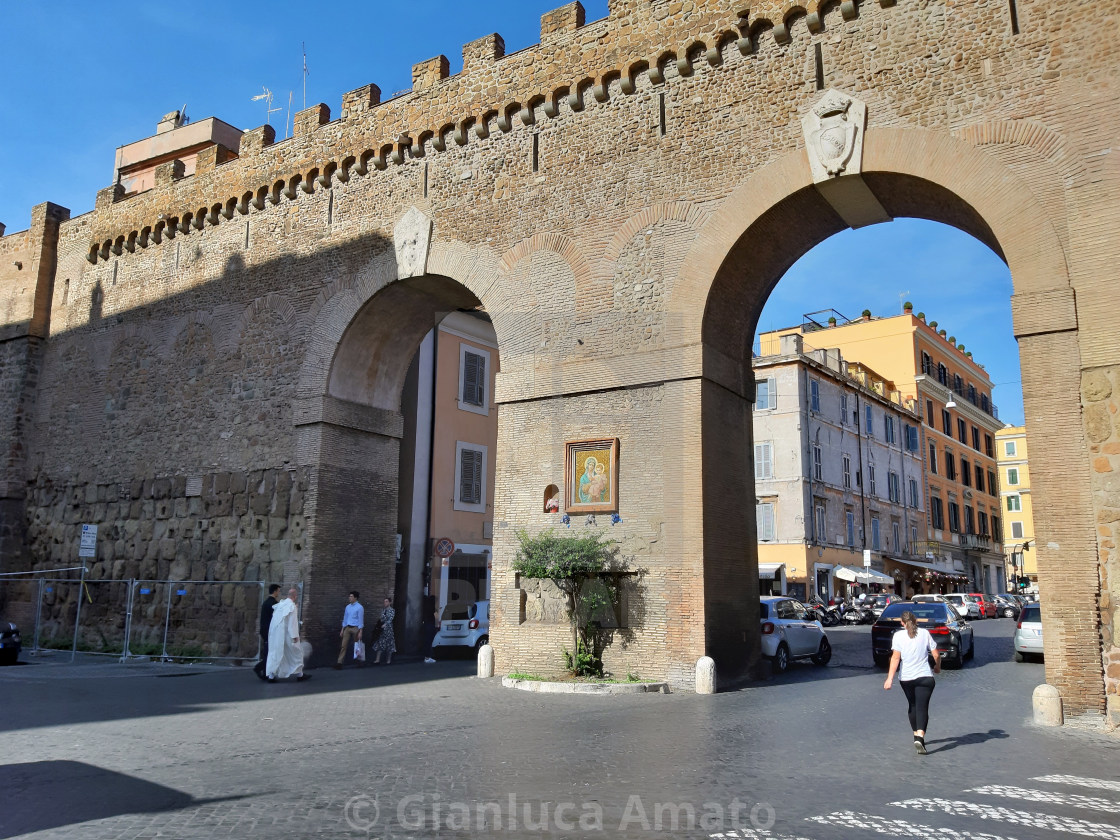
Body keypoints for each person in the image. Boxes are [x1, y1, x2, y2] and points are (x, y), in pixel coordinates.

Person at [883, 610, 940, 754]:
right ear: (915, 620)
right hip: (925, 677)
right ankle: (920, 736)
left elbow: (895, 658)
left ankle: (916, 734)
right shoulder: (925, 634)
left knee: (913, 705)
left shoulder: (898, 636)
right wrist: (937, 666)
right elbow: (936, 654)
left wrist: (889, 679)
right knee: (922, 706)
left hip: (906, 678)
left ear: (902, 623)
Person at [266, 587, 311, 682]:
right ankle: (300, 675)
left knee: (276, 654)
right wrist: (294, 636)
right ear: (295, 596)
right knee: (296, 653)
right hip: (286, 634)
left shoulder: (280, 605)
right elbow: (292, 623)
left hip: (275, 634)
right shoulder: (292, 606)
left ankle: (271, 676)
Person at [254, 584, 280, 680]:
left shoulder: (266, 602)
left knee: (268, 652)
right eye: (278, 591)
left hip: (264, 630)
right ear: (275, 591)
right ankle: (259, 668)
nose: (279, 593)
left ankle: (266, 672)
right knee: (270, 653)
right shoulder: (273, 604)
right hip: (269, 632)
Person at [336, 590, 364, 669]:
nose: (349, 598)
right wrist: (342, 629)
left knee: (357, 645)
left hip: (356, 628)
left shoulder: (360, 607)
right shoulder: (347, 607)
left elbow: (360, 620)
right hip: (347, 628)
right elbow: (345, 618)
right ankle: (339, 663)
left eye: (351, 596)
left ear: (355, 598)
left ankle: (359, 661)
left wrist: (360, 631)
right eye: (349, 596)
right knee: (343, 646)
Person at [372, 597, 396, 664]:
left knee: (389, 644)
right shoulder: (383, 610)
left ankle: (388, 660)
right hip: (382, 629)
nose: (385, 603)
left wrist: (386, 624)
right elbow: (381, 618)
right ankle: (377, 659)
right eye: (384, 601)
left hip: (389, 629)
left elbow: (390, 619)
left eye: (386, 601)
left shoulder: (392, 610)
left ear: (390, 602)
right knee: (380, 643)